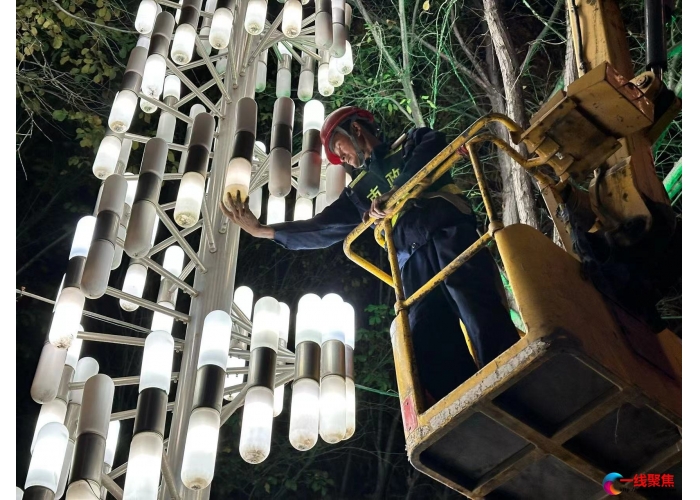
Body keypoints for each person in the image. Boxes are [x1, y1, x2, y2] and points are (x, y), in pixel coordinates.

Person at [221, 106, 519, 402]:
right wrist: (265, 231)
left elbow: (433, 146)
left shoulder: (411, 144)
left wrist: (396, 192)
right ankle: (468, 404)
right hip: (411, 262)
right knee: (425, 334)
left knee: (476, 307)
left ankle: (512, 382)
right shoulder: (360, 192)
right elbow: (322, 228)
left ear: (357, 130)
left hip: (448, 232)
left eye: (340, 148)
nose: (345, 160)